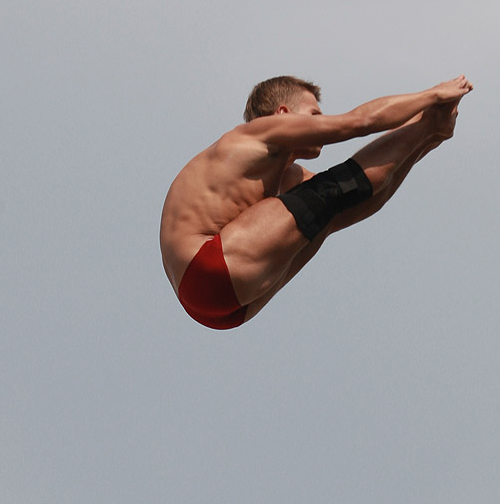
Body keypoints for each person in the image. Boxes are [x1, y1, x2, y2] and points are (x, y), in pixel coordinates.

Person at [159, 74, 474, 329]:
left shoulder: (285, 174)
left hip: (222, 305)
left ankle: (429, 129)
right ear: (284, 114)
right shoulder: (258, 134)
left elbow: (362, 195)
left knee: (334, 209)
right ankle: (427, 123)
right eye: (314, 114)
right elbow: (360, 122)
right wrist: (433, 95)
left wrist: (425, 140)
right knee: (332, 191)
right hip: (207, 266)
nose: (321, 124)